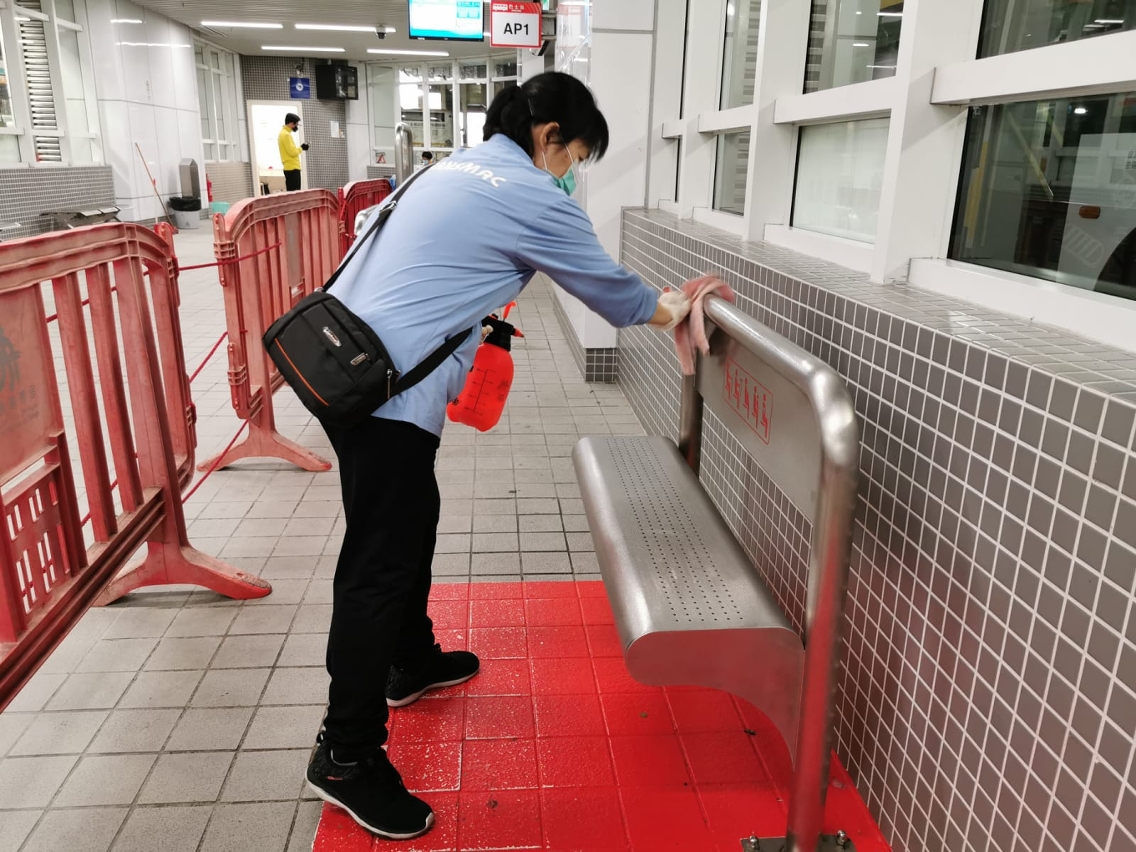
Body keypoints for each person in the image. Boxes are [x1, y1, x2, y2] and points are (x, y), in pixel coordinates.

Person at [304, 72, 693, 841]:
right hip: (383, 395)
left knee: (414, 517)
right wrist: (672, 307)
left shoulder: (450, 168)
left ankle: (408, 660)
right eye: (574, 156)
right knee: (378, 565)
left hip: (345, 361)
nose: (571, 172)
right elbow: (612, 292)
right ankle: (346, 756)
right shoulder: (530, 193)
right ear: (549, 137)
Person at [278, 113, 310, 192]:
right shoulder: (286, 135)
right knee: (295, 194)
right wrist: (302, 148)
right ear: (291, 123)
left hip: (289, 168)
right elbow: (292, 152)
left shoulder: (283, 133)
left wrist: (300, 148)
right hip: (292, 168)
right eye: (296, 124)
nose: (296, 127)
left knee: (291, 194)